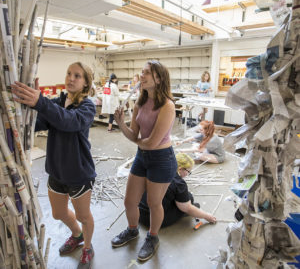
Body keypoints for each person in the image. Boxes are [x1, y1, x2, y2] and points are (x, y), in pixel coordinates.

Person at [11, 62, 96, 269]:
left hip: (78, 173)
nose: (71, 78)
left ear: (85, 83)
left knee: (84, 216)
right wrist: (27, 107)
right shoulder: (59, 101)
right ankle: (77, 235)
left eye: (77, 76)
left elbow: (69, 122)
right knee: (58, 213)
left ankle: (88, 247)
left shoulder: (87, 106)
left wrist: (41, 103)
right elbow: (40, 123)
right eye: (69, 74)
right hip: (57, 171)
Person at [111, 60, 177, 262]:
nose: (142, 75)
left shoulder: (167, 105)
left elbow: (153, 142)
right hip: (142, 155)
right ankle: (132, 230)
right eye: (142, 72)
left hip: (162, 159)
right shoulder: (139, 103)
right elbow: (134, 137)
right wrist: (121, 123)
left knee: (153, 203)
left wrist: (140, 143)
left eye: (147, 72)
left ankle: (153, 237)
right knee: (130, 201)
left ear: (158, 78)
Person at [138, 153, 216, 227]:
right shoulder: (179, 183)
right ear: (180, 169)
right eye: (188, 172)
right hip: (152, 221)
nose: (187, 174)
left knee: (183, 196)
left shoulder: (158, 167)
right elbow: (187, 208)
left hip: (139, 213)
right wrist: (207, 216)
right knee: (189, 199)